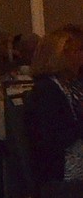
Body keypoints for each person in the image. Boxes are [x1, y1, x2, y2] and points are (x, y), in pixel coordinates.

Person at [24, 27, 83, 186]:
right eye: (77, 51)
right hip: (60, 163)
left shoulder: (68, 84)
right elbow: (54, 139)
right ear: (59, 56)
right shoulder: (47, 91)